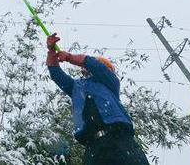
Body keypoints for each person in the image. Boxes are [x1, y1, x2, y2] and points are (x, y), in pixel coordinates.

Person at [45, 33, 149, 165]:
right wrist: (51, 51)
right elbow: (56, 74)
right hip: (93, 146)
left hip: (120, 139)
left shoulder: (109, 82)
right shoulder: (77, 87)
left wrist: (70, 57)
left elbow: (95, 65)